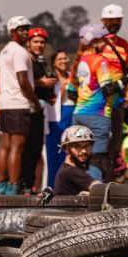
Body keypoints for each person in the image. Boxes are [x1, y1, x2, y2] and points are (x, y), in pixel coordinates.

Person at [0, 16, 40, 195]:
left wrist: (6, 88)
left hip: (5, 103)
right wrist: (35, 102)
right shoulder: (20, 52)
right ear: (12, 32)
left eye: (27, 29)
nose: (26, 32)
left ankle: (1, 184)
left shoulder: (6, 50)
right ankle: (13, 184)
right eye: (21, 29)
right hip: (19, 104)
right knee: (17, 147)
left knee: (6, 145)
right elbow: (23, 80)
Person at [68, 24, 115, 181]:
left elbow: (71, 91)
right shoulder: (100, 60)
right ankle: (96, 197)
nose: (106, 44)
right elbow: (108, 89)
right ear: (94, 42)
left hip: (79, 113)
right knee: (97, 158)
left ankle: (79, 193)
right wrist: (125, 81)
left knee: (79, 157)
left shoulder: (79, 60)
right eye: (103, 41)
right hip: (98, 115)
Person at [99, 4, 128, 179]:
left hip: (118, 101)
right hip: (97, 101)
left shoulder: (124, 45)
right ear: (102, 21)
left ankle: (110, 173)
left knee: (116, 138)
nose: (114, 23)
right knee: (100, 139)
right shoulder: (96, 43)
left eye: (118, 20)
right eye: (111, 20)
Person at [21, 27, 56, 192]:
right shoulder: (25, 60)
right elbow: (21, 83)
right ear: (28, 43)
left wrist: (48, 95)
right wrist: (41, 83)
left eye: (42, 42)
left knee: (35, 151)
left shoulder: (40, 62)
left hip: (40, 111)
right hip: (26, 111)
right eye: (36, 41)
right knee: (26, 150)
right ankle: (22, 184)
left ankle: (31, 185)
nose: (39, 45)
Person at [45, 50, 74, 187]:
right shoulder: (50, 79)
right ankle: (52, 186)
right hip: (56, 119)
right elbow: (51, 101)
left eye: (65, 58)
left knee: (71, 153)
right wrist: (63, 87)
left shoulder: (73, 77)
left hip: (72, 114)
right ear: (54, 63)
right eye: (60, 59)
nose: (64, 61)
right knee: (55, 154)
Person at [54, 125, 101, 195]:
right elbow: (101, 189)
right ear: (67, 149)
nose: (84, 151)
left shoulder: (66, 169)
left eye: (87, 146)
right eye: (78, 147)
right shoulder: (71, 172)